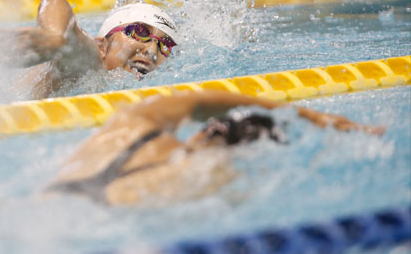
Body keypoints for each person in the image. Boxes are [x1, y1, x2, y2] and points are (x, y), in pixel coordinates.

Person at [45, 89, 385, 206]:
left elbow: (198, 99)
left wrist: (312, 115)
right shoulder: (217, 174)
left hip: (38, 204)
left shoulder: (132, 125)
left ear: (202, 131)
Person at [0, 0, 181, 99]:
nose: (152, 51)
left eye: (165, 45)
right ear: (102, 45)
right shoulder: (90, 62)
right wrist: (55, 37)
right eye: (140, 32)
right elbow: (54, 1)